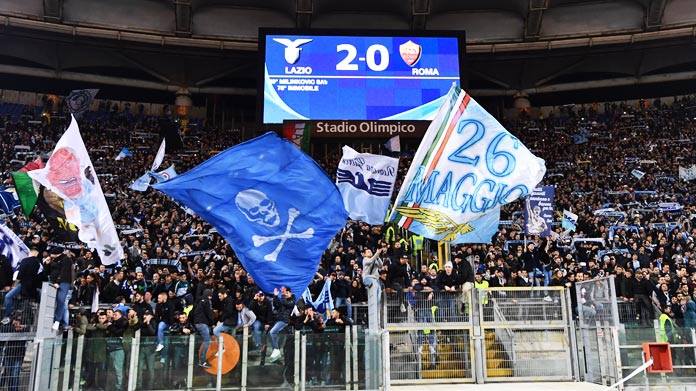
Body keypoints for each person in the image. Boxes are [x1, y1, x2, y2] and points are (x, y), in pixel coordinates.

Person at [1, 249, 41, 325]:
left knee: (8, 296)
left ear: (30, 253)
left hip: (23, 284)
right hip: (32, 287)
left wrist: (14, 285)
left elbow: (20, 274)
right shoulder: (38, 263)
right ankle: (13, 314)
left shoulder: (25, 260)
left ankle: (7, 316)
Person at [49, 247, 75, 331]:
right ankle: (57, 321)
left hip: (63, 282)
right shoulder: (54, 260)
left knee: (61, 301)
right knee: (54, 301)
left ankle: (57, 321)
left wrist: (58, 281)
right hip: (53, 282)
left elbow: (63, 272)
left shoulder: (66, 259)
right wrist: (47, 264)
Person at [0, 314, 28, 391]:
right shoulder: (9, 328)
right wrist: (10, 322)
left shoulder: (24, 330)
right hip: (8, 355)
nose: (16, 324)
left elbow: (29, 329)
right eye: (15, 322)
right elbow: (2, 328)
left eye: (18, 322)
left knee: (15, 375)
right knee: (8, 374)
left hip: (18, 357)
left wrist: (23, 327)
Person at [269, 287, 295, 362]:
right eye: (284, 292)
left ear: (290, 292)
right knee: (272, 334)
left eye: (287, 293)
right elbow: (276, 305)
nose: (285, 294)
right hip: (278, 320)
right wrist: (275, 296)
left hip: (284, 321)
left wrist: (282, 295)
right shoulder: (283, 299)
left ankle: (276, 350)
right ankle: (276, 350)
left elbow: (285, 303)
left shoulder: (292, 301)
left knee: (272, 332)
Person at [191, 288, 214, 367]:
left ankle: (197, 359)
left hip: (196, 323)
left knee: (202, 340)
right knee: (207, 341)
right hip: (202, 323)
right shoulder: (207, 301)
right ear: (209, 296)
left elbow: (192, 312)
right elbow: (209, 313)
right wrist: (212, 323)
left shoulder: (198, 301)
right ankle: (202, 360)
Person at [106, 309, 127, 391]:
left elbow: (118, 332)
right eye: (113, 314)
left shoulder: (123, 323)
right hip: (111, 348)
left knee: (118, 369)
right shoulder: (113, 323)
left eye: (116, 315)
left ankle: (119, 387)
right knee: (112, 369)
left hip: (119, 348)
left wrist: (110, 326)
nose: (114, 316)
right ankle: (113, 386)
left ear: (120, 315)